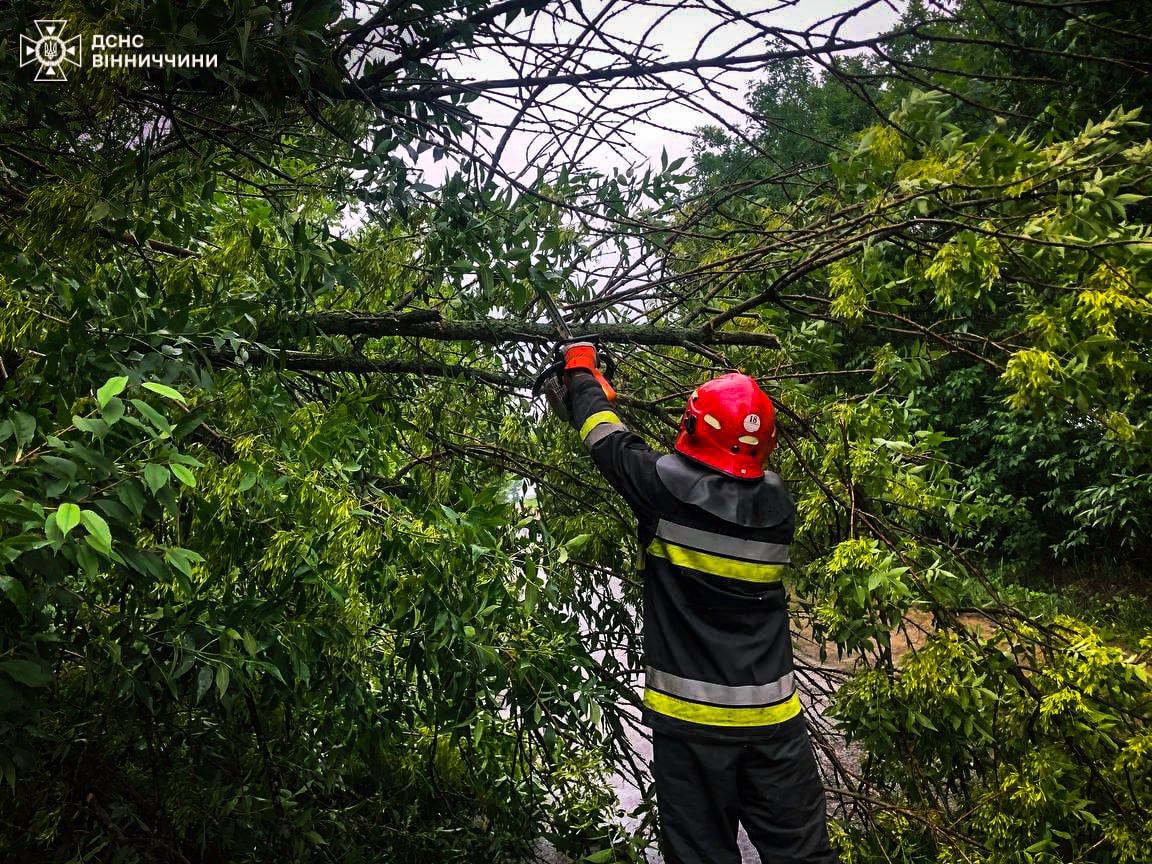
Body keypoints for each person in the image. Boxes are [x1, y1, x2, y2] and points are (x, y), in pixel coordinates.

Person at [554, 341, 837, 864]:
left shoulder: (662, 493)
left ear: (695, 427)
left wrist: (582, 373)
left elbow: (607, 439)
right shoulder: (779, 509)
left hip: (692, 729)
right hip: (774, 726)